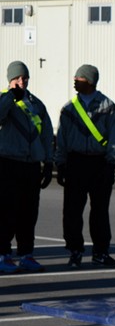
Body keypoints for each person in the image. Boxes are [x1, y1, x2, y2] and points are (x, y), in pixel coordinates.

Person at [55, 65, 115, 269]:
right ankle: (75, 250)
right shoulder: (69, 108)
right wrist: (61, 163)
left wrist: (111, 162)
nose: (75, 80)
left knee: (99, 211)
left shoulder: (108, 107)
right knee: (72, 211)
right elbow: (62, 139)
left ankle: (100, 252)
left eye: (79, 78)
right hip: (76, 162)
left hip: (99, 163)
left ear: (90, 82)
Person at [0, 61, 54, 273]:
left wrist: (48, 162)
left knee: (28, 213)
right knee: (6, 212)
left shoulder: (36, 104)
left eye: (25, 78)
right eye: (17, 78)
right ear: (10, 80)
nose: (22, 82)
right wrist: (10, 97)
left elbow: (46, 134)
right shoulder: (5, 100)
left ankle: (26, 254)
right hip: (8, 162)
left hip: (31, 164)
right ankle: (3, 255)